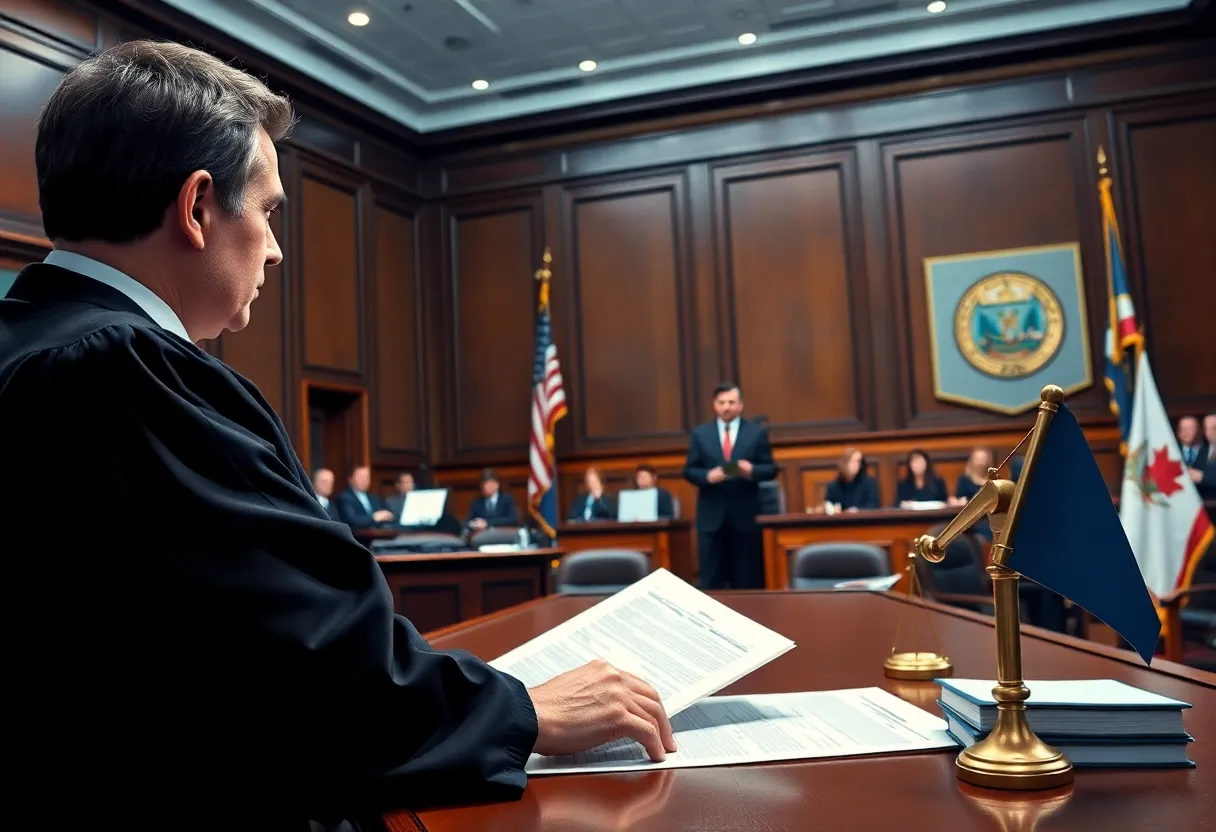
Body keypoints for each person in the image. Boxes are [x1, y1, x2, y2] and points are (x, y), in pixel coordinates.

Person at [0, 40, 674, 826]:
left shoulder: (31, 344)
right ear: (197, 207)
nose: (276, 249)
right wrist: (524, 712)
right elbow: (303, 667)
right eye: (268, 211)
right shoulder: (126, 371)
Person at [683, 382, 777, 589]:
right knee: (711, 584)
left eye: (731, 402)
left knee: (748, 582)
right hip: (711, 519)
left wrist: (751, 470)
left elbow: (770, 469)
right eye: (722, 402)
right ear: (714, 405)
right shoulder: (700, 433)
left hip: (745, 517)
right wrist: (707, 476)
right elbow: (689, 470)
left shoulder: (755, 432)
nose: (726, 407)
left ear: (741, 405)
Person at [823, 448, 881, 512]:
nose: (857, 465)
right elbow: (828, 506)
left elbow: (874, 506)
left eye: (858, 462)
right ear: (844, 463)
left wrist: (858, 510)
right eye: (853, 462)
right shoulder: (833, 487)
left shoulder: (869, 483)